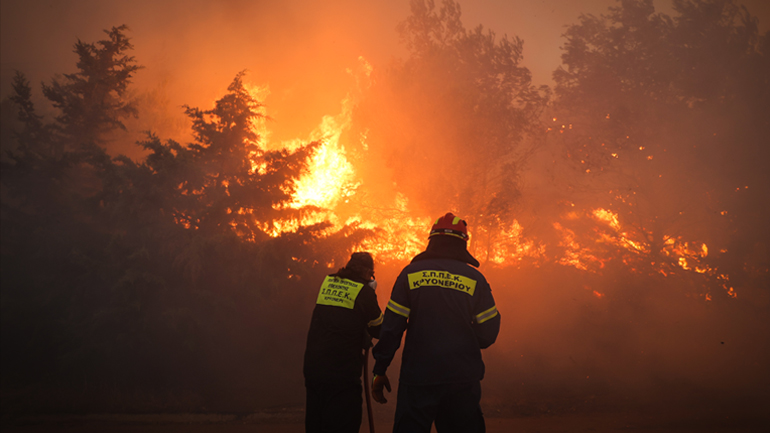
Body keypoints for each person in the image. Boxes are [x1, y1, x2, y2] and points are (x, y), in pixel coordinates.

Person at [371, 213, 500, 433]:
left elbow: (392, 328)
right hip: (462, 378)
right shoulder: (475, 279)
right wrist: (463, 341)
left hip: (419, 377)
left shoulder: (410, 274)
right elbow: (488, 333)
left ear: (432, 241)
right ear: (462, 244)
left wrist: (380, 368)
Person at [303, 251, 383, 433]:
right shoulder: (364, 292)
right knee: (345, 422)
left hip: (314, 369)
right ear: (368, 273)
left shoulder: (328, 282)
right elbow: (379, 329)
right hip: (341, 374)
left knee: (317, 423)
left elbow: (338, 316)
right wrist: (370, 294)